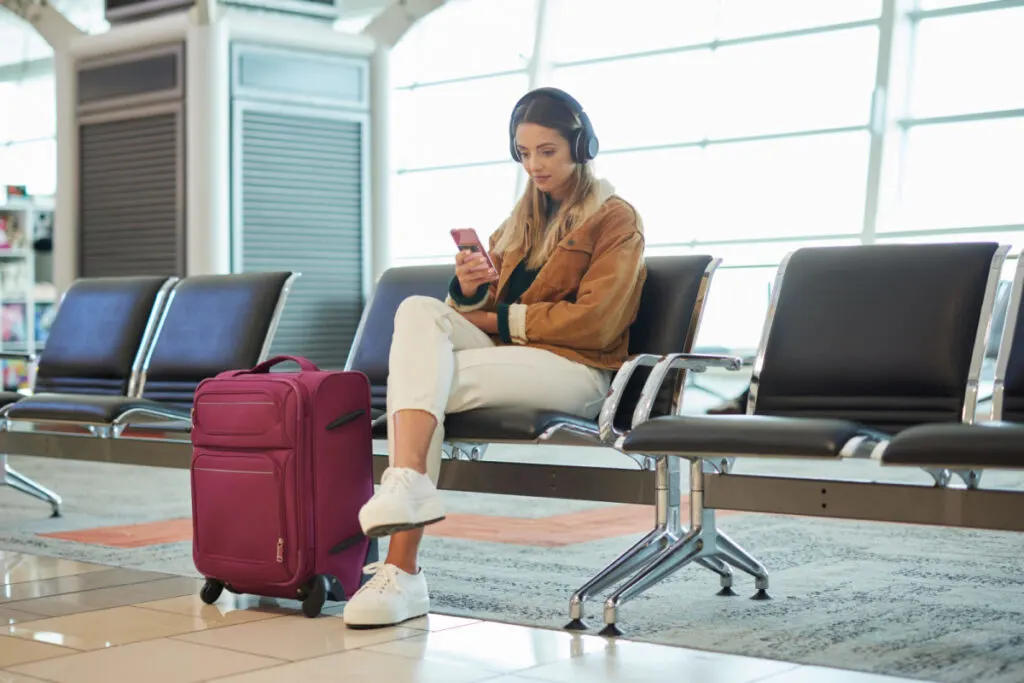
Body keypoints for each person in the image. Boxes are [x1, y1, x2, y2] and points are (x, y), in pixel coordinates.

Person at [342, 87, 648, 628]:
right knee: (419, 311)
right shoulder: (519, 223)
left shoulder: (615, 219)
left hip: (579, 371)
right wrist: (467, 292)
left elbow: (597, 320)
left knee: (420, 383)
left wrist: (498, 319)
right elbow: (481, 308)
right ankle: (406, 496)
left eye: (547, 151)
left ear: (581, 145)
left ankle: (402, 569)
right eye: (524, 153)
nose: (534, 165)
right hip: (515, 363)